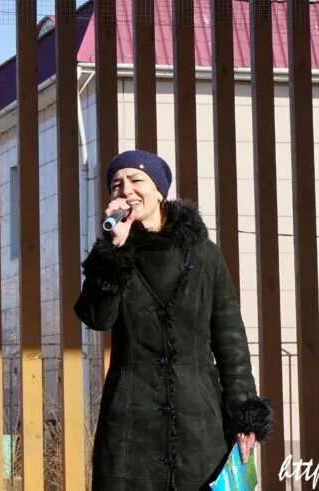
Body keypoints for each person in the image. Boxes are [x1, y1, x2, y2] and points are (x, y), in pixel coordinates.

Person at [75, 150, 273, 490]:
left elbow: (230, 340)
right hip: (130, 423)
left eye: (137, 180)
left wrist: (244, 416)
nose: (126, 190)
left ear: (159, 190)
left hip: (199, 420)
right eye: (116, 185)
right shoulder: (113, 252)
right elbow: (97, 317)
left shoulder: (204, 254)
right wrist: (112, 253)